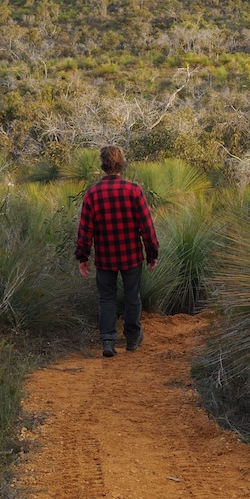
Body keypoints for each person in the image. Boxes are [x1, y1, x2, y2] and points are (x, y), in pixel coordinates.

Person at [75, 145, 159, 357]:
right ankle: (131, 338)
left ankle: (108, 341)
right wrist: (152, 254)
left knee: (106, 298)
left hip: (105, 257)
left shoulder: (93, 193)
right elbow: (147, 227)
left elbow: (85, 230)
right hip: (131, 255)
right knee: (132, 296)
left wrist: (82, 257)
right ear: (121, 163)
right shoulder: (134, 190)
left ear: (102, 164)